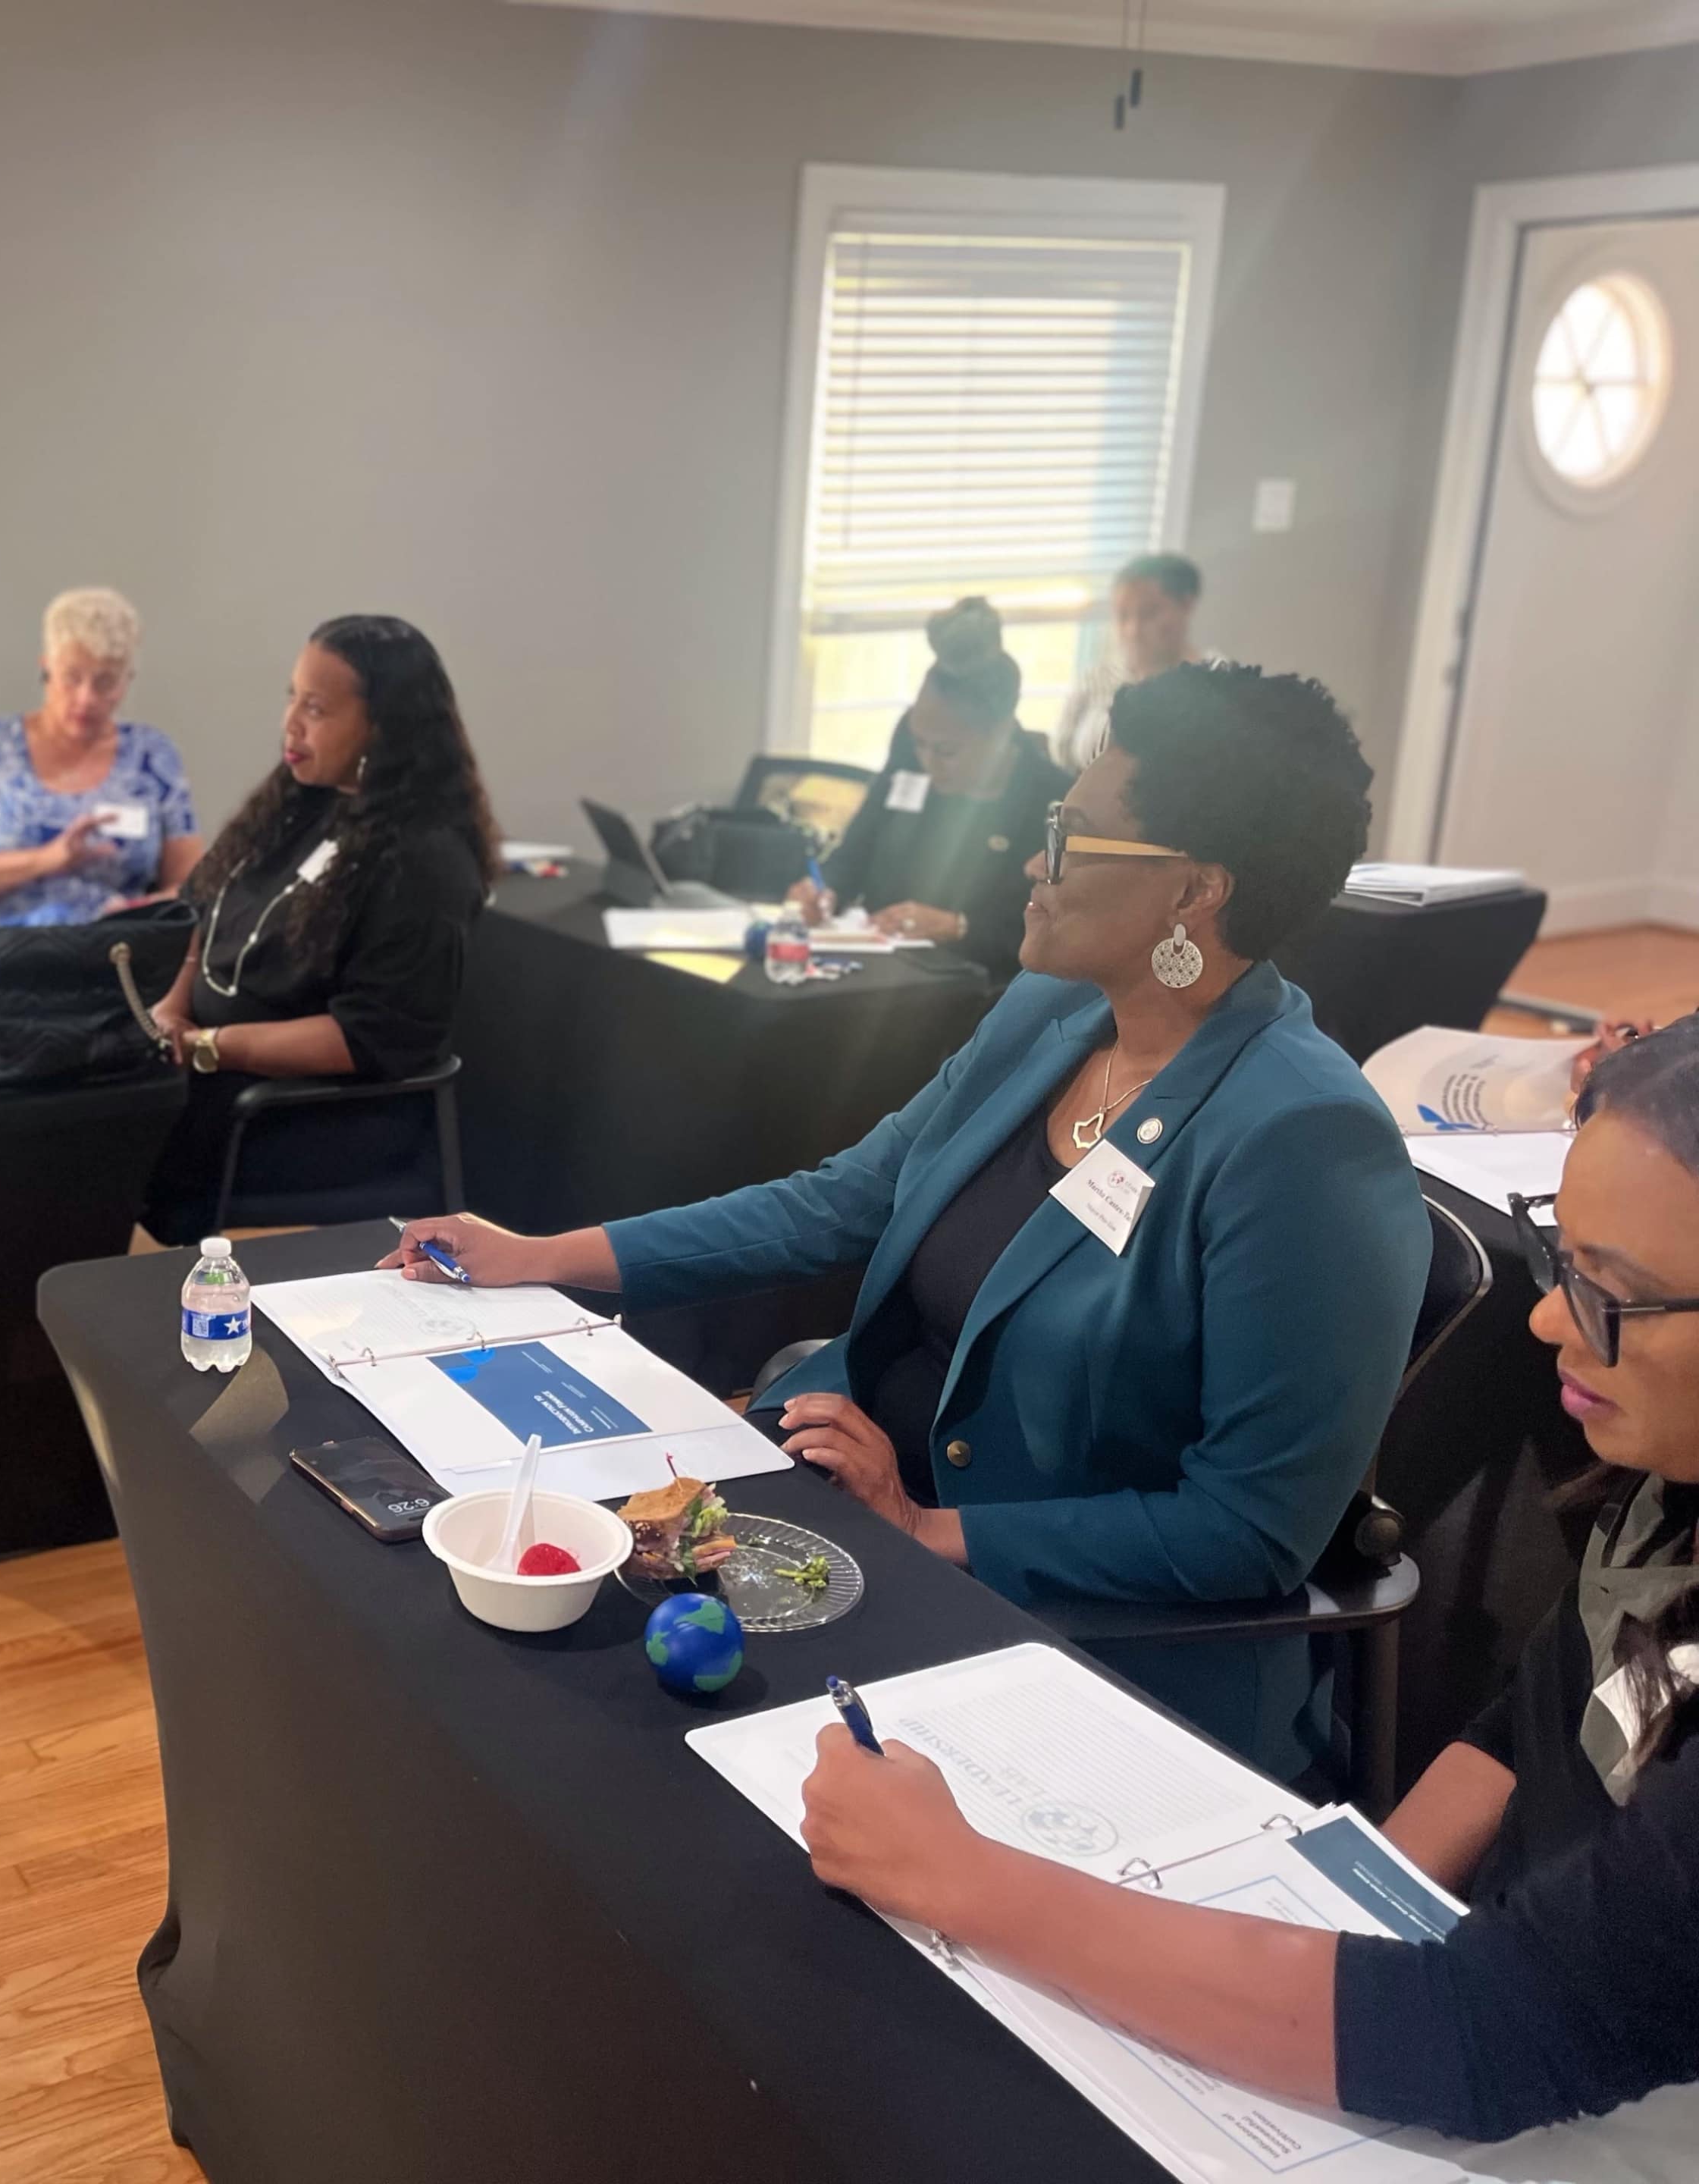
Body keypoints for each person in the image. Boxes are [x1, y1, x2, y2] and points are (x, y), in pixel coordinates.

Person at [391, 664, 1428, 1780]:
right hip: (849, 1522)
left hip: (1067, 1648)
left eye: (1070, 836)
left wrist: (932, 1528)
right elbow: (845, 1198)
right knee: (511, 1660)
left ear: (1194, 893)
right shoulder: (1057, 1012)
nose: (1036, 865)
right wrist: (543, 1255)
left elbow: (1249, 1531)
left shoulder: (1303, 1143)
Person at [797, 1020, 1699, 2153]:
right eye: (1562, 1259)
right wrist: (1358, 1901)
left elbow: (1498, 2033)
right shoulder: (1666, 1487)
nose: (1546, 1318)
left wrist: (960, 1876)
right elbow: (1531, 1718)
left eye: (1613, 1293)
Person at [140, 616, 497, 1247]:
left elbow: (367, 1036)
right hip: (210, 1075)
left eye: (316, 708)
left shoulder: (423, 861)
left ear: (383, 725)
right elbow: (205, 911)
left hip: (305, 1115)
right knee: (68, 1114)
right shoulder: (298, 800)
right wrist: (171, 1010)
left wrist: (211, 1046)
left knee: (89, 1143)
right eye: (291, 698)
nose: (291, 723)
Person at [786, 598, 1071, 982]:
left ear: (1002, 732)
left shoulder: (1049, 801)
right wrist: (826, 891)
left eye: (947, 750)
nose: (926, 759)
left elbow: (1057, 931)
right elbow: (855, 851)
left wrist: (959, 926)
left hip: (973, 986)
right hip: (875, 970)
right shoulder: (910, 746)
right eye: (921, 741)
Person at [0, 587, 201, 923]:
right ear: (46, 668)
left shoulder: (152, 755)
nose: (86, 698)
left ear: (128, 681)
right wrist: (48, 859)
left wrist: (138, 912)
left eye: (106, 682)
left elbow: (190, 886)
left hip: (114, 957)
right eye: (71, 677)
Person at [1052, 551, 1205, 773]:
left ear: (1186, 605)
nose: (1133, 630)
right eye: (1123, 616)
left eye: (1149, 614)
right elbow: (1062, 754)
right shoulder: (1098, 679)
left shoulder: (1217, 680)